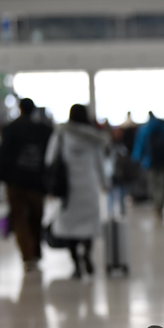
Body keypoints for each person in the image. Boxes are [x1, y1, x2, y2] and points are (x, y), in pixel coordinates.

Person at [0, 98, 52, 272]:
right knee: (36, 217)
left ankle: (28, 255)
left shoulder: (11, 129)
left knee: (19, 219)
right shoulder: (44, 130)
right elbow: (50, 158)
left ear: (20, 109)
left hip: (15, 182)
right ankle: (36, 251)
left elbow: (2, 156)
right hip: (37, 182)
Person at [45, 104, 109, 279]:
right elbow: (100, 162)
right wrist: (104, 182)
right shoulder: (93, 136)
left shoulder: (61, 134)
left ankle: (75, 264)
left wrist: (51, 186)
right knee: (88, 225)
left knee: (69, 227)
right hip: (88, 186)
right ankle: (87, 255)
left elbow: (50, 158)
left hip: (68, 188)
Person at [131, 111, 164, 218]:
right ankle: (161, 205)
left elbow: (140, 145)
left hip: (150, 162)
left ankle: (156, 204)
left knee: (153, 184)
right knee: (163, 185)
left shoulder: (145, 129)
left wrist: (136, 157)